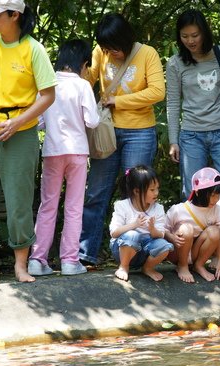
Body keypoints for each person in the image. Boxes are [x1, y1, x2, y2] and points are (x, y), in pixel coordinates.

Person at [0, 0, 56, 285]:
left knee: (18, 200)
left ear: (14, 15)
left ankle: (21, 267)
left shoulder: (33, 49)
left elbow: (48, 95)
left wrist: (17, 123)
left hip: (20, 130)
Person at [79, 13, 165, 266]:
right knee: (96, 192)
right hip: (106, 131)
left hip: (140, 132)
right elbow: (86, 80)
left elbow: (157, 91)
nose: (110, 53)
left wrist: (119, 100)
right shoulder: (100, 52)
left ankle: (134, 256)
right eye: (106, 48)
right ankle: (86, 254)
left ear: (126, 40)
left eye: (114, 48)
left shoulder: (147, 53)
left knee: (136, 194)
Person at [27, 39, 100, 277]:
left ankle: (37, 260)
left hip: (52, 151)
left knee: (47, 206)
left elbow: (36, 120)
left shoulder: (47, 84)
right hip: (77, 152)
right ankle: (70, 261)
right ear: (84, 63)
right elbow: (93, 121)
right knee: (73, 208)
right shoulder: (82, 86)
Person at [166, 9, 220, 199]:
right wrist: (173, 140)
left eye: (195, 35)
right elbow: (173, 103)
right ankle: (194, 229)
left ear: (204, 33)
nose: (190, 41)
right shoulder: (175, 63)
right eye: (185, 36)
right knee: (192, 191)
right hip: (191, 135)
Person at [109, 165, 173, 282]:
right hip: (123, 249)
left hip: (145, 252)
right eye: (152, 190)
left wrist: (152, 229)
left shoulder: (158, 208)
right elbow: (114, 233)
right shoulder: (122, 206)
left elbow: (161, 235)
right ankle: (124, 266)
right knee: (133, 235)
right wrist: (134, 225)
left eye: (157, 188)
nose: (156, 193)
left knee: (164, 246)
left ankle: (147, 268)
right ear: (137, 191)